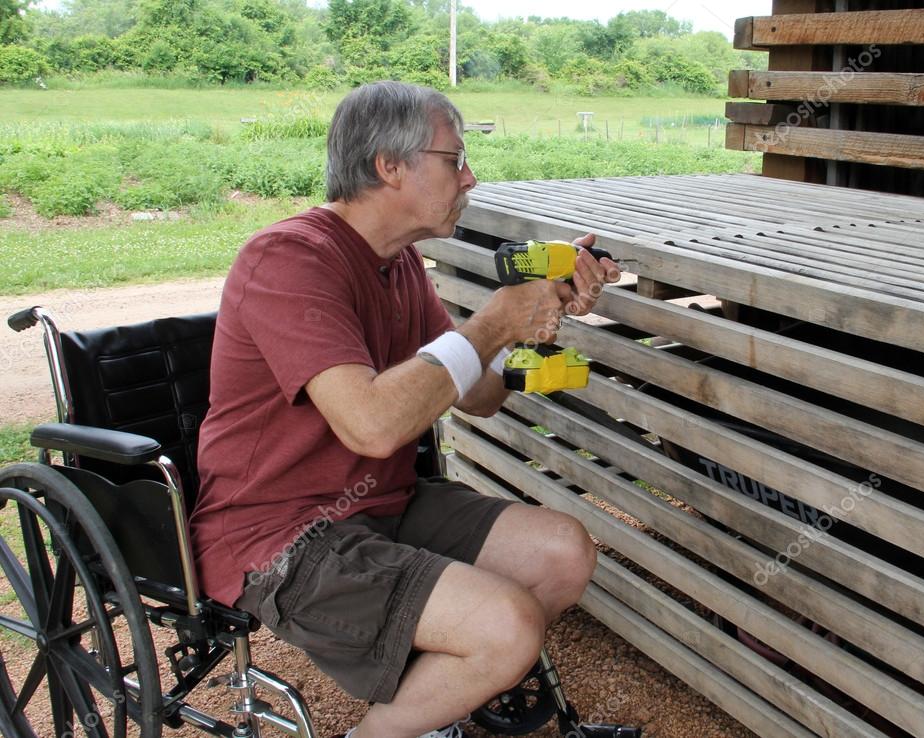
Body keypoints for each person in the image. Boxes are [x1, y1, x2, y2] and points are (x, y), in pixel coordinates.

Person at [190, 80, 620, 738]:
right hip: (278, 535)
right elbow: (372, 425)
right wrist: (491, 326)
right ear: (388, 166)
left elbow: (474, 396)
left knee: (563, 551)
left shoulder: (399, 263)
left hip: (379, 506)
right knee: (506, 625)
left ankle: (431, 708)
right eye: (454, 159)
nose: (469, 177)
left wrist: (527, 321)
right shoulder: (287, 259)